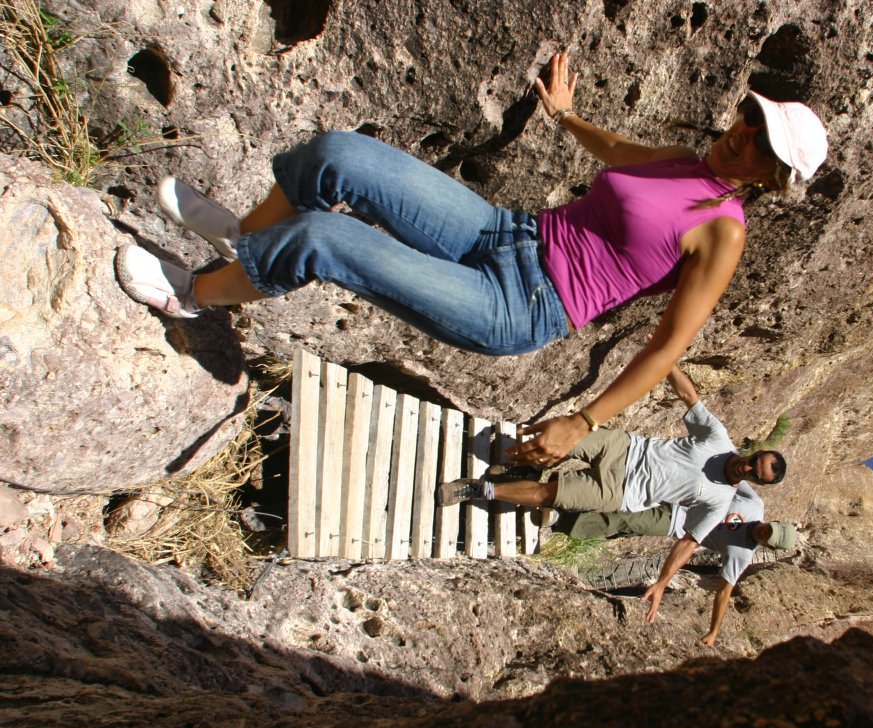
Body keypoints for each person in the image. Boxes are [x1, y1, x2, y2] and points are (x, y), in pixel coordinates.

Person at [116, 50, 827, 465]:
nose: (744, 138)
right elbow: (615, 153)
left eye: (763, 147)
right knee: (337, 156)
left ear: (772, 177)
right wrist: (564, 114)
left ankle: (193, 298)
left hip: (523, 306)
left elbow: (669, 343)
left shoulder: (724, 231)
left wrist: (585, 420)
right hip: (503, 232)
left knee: (329, 241)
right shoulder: (681, 158)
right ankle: (245, 242)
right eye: (751, 121)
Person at [436, 361, 787, 559]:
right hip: (624, 448)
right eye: (754, 460)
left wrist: (664, 581)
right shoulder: (719, 439)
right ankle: (518, 467)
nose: (748, 467)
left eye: (755, 473)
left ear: (755, 482)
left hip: (619, 492)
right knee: (559, 438)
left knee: (551, 495)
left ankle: (477, 490)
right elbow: (689, 397)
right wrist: (666, 359)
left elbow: (689, 542)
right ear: (753, 452)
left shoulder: (721, 500)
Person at [649, 485, 797, 646]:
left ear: (770, 546)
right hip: (678, 492)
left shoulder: (742, 555)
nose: (764, 532)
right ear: (773, 522)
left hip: (675, 522)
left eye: (768, 537)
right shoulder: (754, 504)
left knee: (626, 523)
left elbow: (724, 592)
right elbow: (735, 479)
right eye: (769, 529)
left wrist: (714, 632)